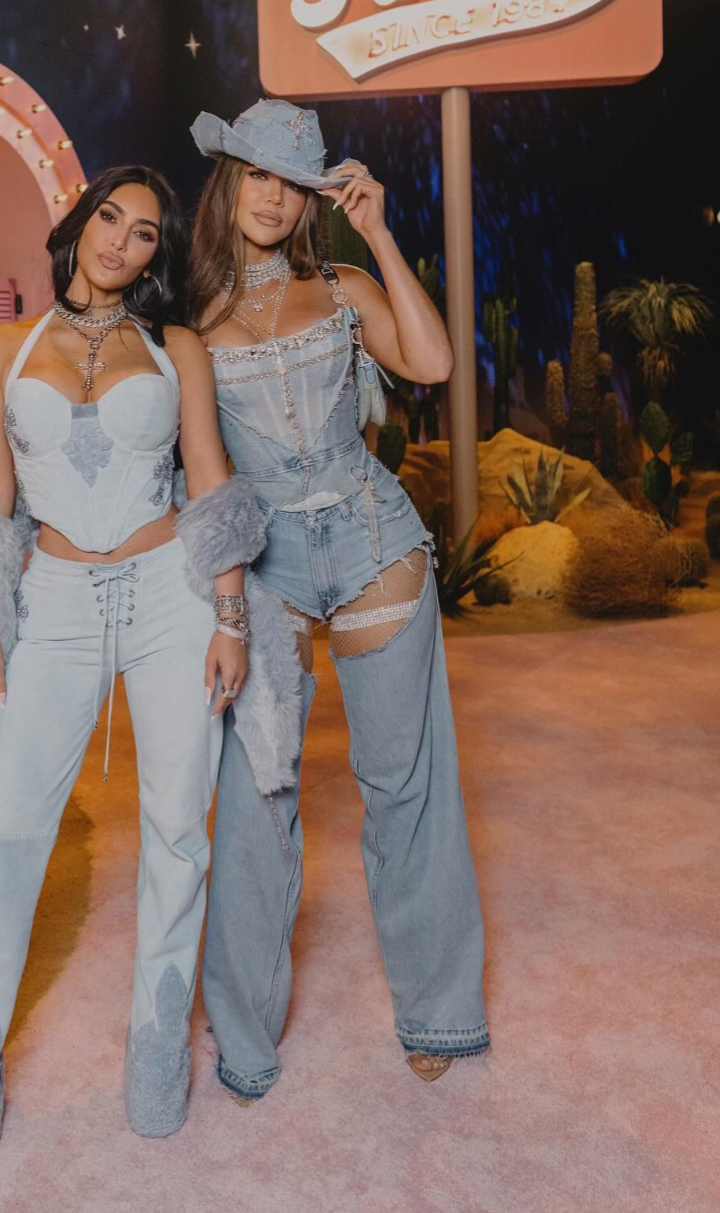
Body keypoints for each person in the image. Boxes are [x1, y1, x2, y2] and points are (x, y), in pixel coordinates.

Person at [0, 164, 298, 1177]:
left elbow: (211, 479)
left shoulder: (173, 346)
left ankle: (153, 1060)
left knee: (178, 826)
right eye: (108, 218)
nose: (119, 241)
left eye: (143, 234)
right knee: (5, 834)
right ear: (78, 223)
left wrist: (228, 615)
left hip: (170, 596)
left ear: (156, 256)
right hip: (48, 604)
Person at [188, 99, 489, 1098]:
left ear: (312, 195)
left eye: (292, 181)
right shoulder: (190, 323)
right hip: (263, 566)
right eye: (257, 175)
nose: (271, 198)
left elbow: (436, 363)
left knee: (403, 782)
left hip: (370, 546)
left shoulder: (344, 284)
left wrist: (380, 232)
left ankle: (437, 1007)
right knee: (256, 795)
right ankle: (244, 1034)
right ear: (228, 179)